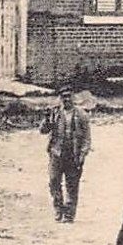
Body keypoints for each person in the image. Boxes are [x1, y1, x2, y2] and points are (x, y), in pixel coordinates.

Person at [40, 90, 92, 222]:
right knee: (54, 181)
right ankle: (58, 209)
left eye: (69, 96)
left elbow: (86, 137)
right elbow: (43, 130)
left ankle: (69, 214)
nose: (66, 99)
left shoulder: (81, 114)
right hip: (56, 153)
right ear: (60, 98)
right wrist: (46, 119)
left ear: (73, 98)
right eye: (64, 97)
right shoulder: (55, 113)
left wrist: (83, 153)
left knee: (72, 185)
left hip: (73, 154)